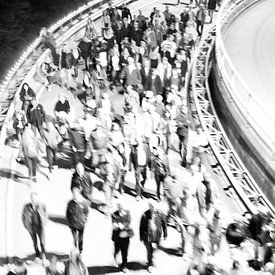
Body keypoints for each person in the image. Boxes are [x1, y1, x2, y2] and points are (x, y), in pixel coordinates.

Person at [139, 200, 167, 272]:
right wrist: (141, 237)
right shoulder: (145, 215)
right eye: (151, 206)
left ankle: (152, 258)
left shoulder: (161, 214)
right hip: (147, 236)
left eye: (154, 206)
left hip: (157, 236)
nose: (153, 208)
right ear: (149, 206)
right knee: (149, 250)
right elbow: (141, 227)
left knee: (155, 250)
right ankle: (150, 264)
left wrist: (165, 234)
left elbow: (164, 225)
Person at [22, 192, 47, 259]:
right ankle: (37, 253)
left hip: (40, 227)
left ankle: (43, 253)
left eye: (35, 198)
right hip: (31, 228)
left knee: (42, 242)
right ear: (31, 199)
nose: (34, 200)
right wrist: (26, 225)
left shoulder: (42, 206)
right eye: (32, 198)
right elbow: (23, 217)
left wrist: (44, 222)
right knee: (34, 242)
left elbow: (45, 214)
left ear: (37, 198)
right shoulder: (26, 207)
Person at [111, 200, 133, 272]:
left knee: (125, 252)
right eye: (119, 206)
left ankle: (124, 266)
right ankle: (115, 257)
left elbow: (129, 222)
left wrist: (123, 225)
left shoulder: (127, 213)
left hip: (125, 236)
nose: (120, 208)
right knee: (117, 249)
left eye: (122, 206)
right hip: (117, 236)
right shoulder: (114, 214)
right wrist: (117, 225)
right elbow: (113, 225)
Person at [66, 187, 89, 254]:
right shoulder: (70, 203)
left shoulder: (83, 202)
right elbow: (67, 213)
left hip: (81, 224)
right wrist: (69, 222)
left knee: (80, 238)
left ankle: (80, 249)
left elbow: (86, 211)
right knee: (75, 239)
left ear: (79, 194)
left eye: (76, 194)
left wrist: (85, 219)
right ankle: (75, 250)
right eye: (74, 194)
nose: (75, 195)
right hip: (72, 224)